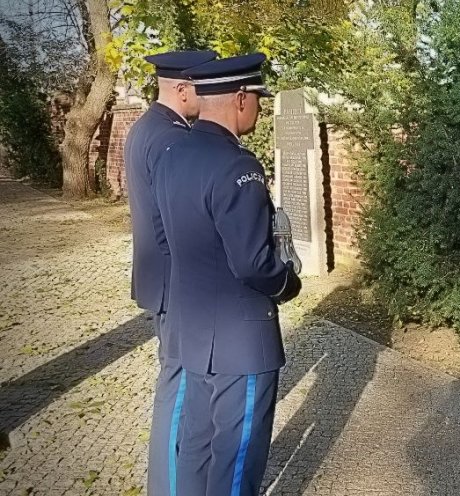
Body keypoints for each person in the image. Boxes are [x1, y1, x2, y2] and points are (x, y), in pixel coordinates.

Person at [152, 52, 301, 496]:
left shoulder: (170, 154)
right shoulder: (239, 166)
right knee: (236, 461)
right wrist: (288, 282)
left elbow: (168, 242)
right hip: (241, 341)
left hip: (191, 331)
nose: (260, 107)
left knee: (196, 447)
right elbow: (254, 262)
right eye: (258, 97)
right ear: (240, 98)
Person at [123, 49, 217, 496]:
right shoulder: (173, 140)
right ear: (182, 89)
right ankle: (168, 487)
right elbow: (180, 220)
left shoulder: (146, 128)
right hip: (176, 284)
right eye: (204, 87)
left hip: (160, 277)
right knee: (178, 389)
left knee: (179, 382)